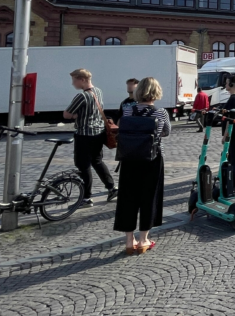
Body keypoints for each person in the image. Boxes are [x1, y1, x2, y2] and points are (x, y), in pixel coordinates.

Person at [115, 77, 171, 254]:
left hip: (129, 159)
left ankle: (129, 240)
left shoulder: (127, 110)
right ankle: (143, 239)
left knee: (127, 197)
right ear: (156, 92)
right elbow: (166, 132)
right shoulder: (160, 112)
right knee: (149, 197)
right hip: (151, 160)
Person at [63, 69, 117, 206]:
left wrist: (75, 116)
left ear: (82, 79)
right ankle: (112, 187)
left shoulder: (81, 96)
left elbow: (66, 114)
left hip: (84, 135)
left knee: (83, 166)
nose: (72, 83)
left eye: (74, 80)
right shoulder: (98, 91)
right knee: (97, 161)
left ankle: (86, 198)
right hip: (98, 133)